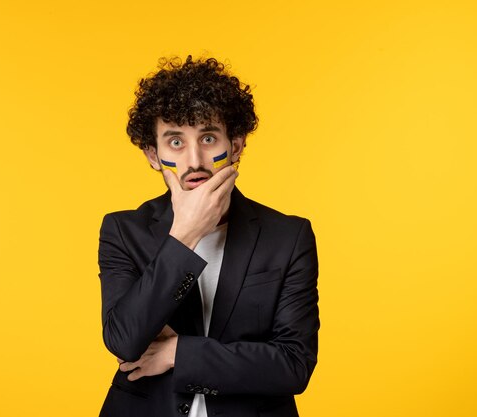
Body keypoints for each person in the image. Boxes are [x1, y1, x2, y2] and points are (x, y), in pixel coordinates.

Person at [98, 55, 319, 417]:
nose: (195, 160)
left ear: (236, 144)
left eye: (208, 137)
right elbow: (124, 339)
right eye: (175, 143)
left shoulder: (288, 236)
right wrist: (185, 234)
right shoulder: (123, 231)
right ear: (153, 154)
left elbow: (293, 366)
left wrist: (177, 353)